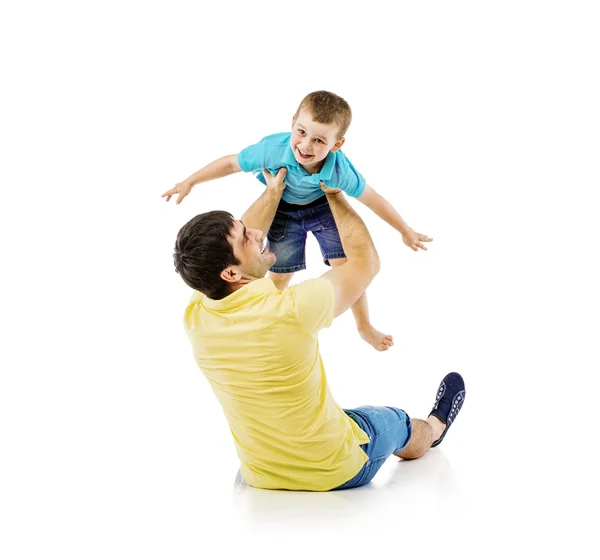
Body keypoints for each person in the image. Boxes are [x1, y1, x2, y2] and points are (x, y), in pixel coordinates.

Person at [171, 167, 465, 491]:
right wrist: (336, 193)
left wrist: (272, 193)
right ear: (229, 274)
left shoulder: (195, 315)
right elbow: (366, 264)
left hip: (261, 475)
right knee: (395, 421)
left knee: (336, 414)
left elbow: (227, 252)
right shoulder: (292, 310)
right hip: (336, 467)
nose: (256, 233)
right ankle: (436, 428)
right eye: (245, 238)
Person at [163, 90, 433, 352]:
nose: (305, 146)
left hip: (322, 205)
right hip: (283, 209)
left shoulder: (339, 170)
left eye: (319, 141)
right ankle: (266, 322)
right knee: (279, 273)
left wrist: (405, 230)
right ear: (293, 123)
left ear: (336, 145)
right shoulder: (273, 150)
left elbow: (373, 198)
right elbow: (231, 164)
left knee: (348, 268)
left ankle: (364, 326)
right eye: (301, 132)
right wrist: (189, 181)